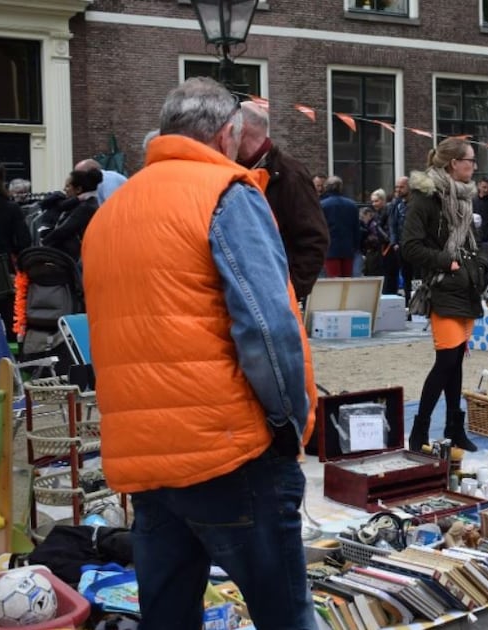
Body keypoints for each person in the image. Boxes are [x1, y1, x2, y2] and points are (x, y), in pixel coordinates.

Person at [82, 77, 315, 630]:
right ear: (228, 133)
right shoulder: (225, 192)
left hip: (144, 458)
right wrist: (289, 424)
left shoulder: (110, 212)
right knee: (285, 616)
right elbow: (266, 326)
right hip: (226, 449)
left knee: (168, 618)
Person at [402, 137, 488, 453]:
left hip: (465, 287)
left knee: (455, 363)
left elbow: (472, 240)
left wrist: (479, 265)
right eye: (470, 160)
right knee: (446, 360)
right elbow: (410, 247)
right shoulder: (425, 198)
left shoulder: (463, 197)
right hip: (441, 286)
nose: (474, 166)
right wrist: (446, 262)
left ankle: (454, 428)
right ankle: (419, 431)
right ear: (454, 163)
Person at [236, 100, 328, 301]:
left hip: (275, 296)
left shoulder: (290, 174)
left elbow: (314, 238)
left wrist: (290, 292)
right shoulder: (232, 171)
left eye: (229, 126)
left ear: (241, 129)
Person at [41, 168, 101, 261]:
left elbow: (65, 229)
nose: (64, 189)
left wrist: (43, 244)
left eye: (68, 186)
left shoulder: (85, 207)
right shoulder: (86, 203)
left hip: (74, 258)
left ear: (78, 189)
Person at [320, 176, 361, 278]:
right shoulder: (352, 205)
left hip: (330, 250)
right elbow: (356, 229)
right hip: (348, 250)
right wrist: (356, 247)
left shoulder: (322, 205)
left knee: (334, 282)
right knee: (347, 281)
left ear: (327, 187)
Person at [385, 176, 411, 298]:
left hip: (414, 245)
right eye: (397, 187)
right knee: (405, 274)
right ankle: (407, 299)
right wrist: (394, 242)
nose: (398, 190)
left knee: (416, 276)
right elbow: (392, 223)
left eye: (402, 187)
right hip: (400, 246)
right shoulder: (396, 204)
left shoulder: (415, 204)